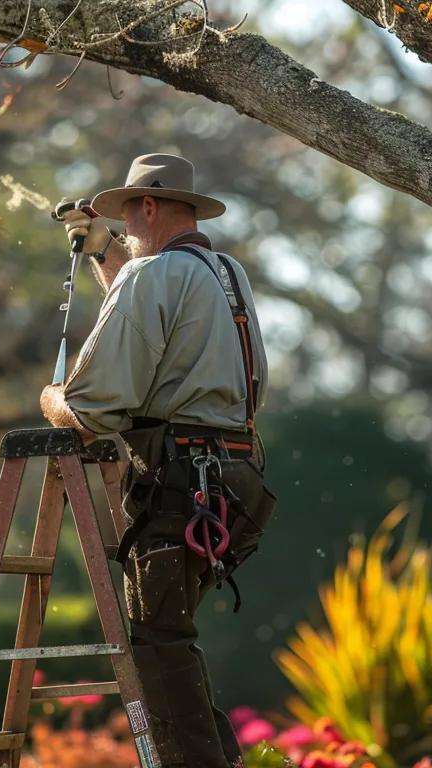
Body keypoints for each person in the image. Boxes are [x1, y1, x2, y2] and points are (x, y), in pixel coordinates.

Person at [38, 153, 276, 768]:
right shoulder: (226, 272)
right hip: (237, 478)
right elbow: (149, 296)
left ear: (147, 207)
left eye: (127, 216)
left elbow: (94, 412)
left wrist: (53, 402)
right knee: (167, 640)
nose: (125, 227)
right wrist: (101, 250)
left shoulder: (152, 277)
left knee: (155, 644)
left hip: (185, 480)